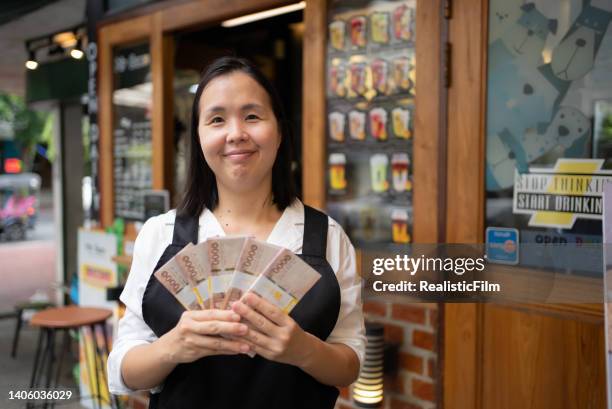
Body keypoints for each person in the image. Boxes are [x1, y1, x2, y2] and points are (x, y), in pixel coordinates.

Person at [107, 56, 365, 409]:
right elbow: (123, 371)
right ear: (199, 137)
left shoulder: (328, 237)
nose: (235, 134)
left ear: (279, 131)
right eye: (216, 119)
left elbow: (349, 364)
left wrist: (303, 350)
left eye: (252, 116)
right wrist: (175, 346)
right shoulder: (161, 234)